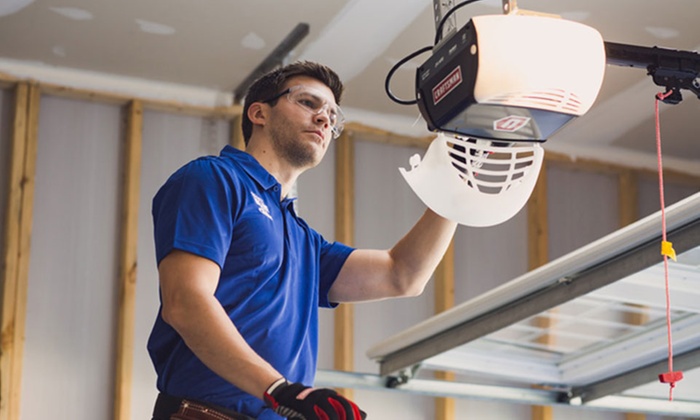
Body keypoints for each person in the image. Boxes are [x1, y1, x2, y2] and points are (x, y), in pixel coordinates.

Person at [148, 61, 457, 420]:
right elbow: (185, 302)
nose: (325, 119)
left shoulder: (303, 239)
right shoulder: (215, 179)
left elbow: (402, 274)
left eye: (332, 114)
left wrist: (456, 192)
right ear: (259, 113)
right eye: (309, 103)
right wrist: (281, 390)